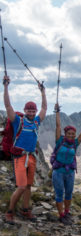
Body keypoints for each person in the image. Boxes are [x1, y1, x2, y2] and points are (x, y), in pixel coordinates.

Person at [3, 75, 47, 224]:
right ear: (24, 110)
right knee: (21, 186)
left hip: (32, 157)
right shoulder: (18, 121)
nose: (31, 112)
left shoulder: (36, 121)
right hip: (19, 157)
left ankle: (25, 210)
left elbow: (44, 108)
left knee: (28, 186)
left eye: (32, 111)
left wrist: (43, 92)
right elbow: (8, 106)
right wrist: (6, 86)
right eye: (29, 110)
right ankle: (10, 212)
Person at [52, 103, 81, 225]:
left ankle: (67, 212)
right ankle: (61, 215)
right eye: (69, 134)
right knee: (59, 194)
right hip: (58, 172)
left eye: (73, 134)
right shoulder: (59, 141)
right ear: (65, 134)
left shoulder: (75, 143)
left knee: (68, 193)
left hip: (70, 173)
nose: (72, 136)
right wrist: (57, 112)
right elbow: (58, 126)